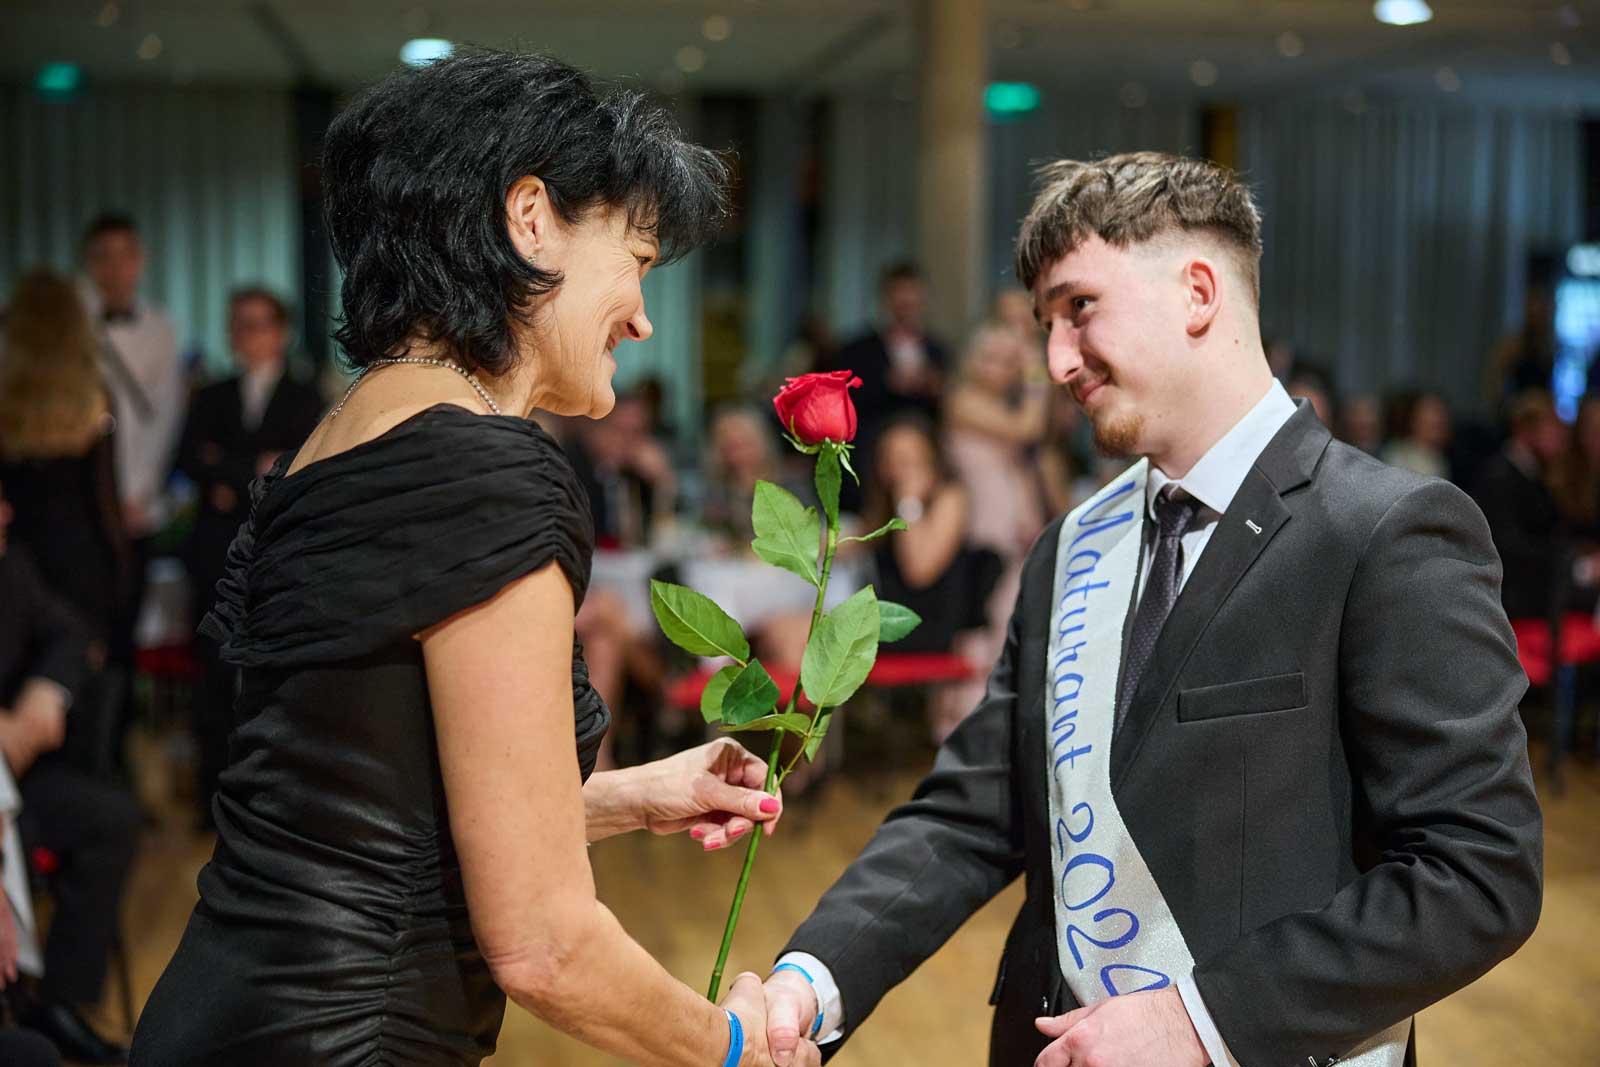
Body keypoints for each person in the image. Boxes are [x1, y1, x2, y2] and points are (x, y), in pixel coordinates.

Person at [759, 152, 1542, 1067]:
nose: (1056, 361)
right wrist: (809, 980)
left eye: (1079, 307)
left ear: (1198, 293)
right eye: (1047, 324)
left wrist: (1200, 1021)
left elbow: (1480, 869)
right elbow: (972, 813)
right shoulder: (1069, 545)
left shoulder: (1385, 531)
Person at [130, 51, 816, 1067]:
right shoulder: (488, 473)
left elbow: (368, 808)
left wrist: (628, 795)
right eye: (635, 259)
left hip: (214, 1014)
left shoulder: (344, 435)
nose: (642, 315)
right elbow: (543, 943)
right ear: (530, 219)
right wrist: (730, 1043)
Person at [0, 480, 140, 1066]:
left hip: (18, 775)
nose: (8, 511)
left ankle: (56, 1001)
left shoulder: (12, 566)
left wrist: (45, 693)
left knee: (112, 818)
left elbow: (71, 631)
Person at [175, 287, 325, 825]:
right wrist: (252, 470)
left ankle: (274, 803)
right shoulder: (210, 395)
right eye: (239, 323)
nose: (248, 334)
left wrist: (228, 474)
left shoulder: (307, 396)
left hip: (281, 553)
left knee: (278, 677)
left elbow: (301, 468)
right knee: (213, 679)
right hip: (216, 556)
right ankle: (211, 800)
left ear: (281, 331)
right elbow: (189, 460)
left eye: (259, 323)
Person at [0, 270, 134, 774]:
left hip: (19, 568)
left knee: (24, 715)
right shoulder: (93, 398)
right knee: (86, 721)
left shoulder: (5, 400)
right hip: (83, 572)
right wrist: (122, 588)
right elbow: (106, 510)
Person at [826, 263, 950, 509]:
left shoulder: (938, 350)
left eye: (911, 297)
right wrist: (887, 383)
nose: (906, 304)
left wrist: (933, 387)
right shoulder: (857, 350)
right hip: (868, 453)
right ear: (886, 299)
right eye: (900, 297)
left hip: (923, 446)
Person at [1473, 390, 1586, 621]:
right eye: (1552, 428)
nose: (1561, 437)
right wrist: (1569, 562)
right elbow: (1508, 547)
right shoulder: (1500, 476)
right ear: (1525, 430)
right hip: (1512, 602)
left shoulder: (1537, 473)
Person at [1381, 390, 1452, 481]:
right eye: (1433, 426)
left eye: (1442, 423)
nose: (1439, 418)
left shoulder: (1444, 458)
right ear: (1414, 420)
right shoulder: (1398, 455)